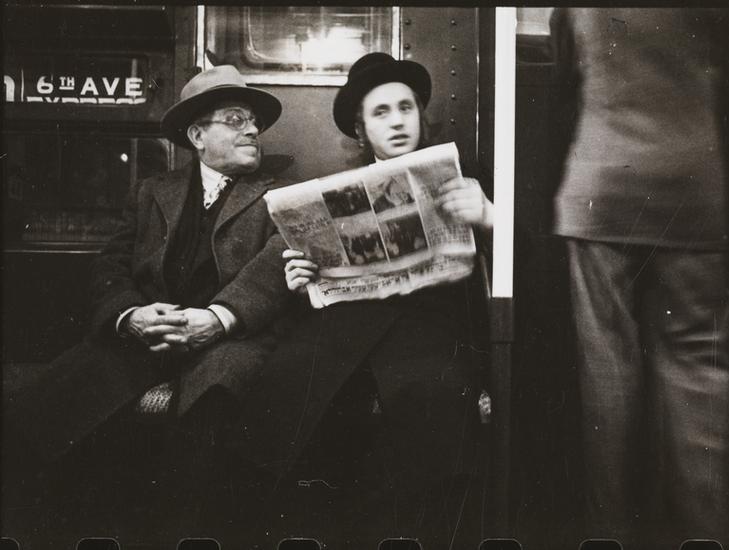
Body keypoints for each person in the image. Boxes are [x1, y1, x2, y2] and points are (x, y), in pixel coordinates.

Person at [2, 65, 292, 540]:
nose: (253, 130)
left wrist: (218, 318)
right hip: (150, 334)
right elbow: (111, 265)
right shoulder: (154, 191)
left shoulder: (280, 194)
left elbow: (277, 265)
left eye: (254, 122)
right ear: (197, 136)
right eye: (236, 119)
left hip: (231, 340)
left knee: (211, 410)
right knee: (52, 403)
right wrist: (131, 315)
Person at [233, 52, 494, 547]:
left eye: (406, 108)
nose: (397, 122)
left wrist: (488, 217)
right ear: (361, 129)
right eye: (381, 112)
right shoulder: (333, 189)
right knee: (286, 392)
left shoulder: (464, 175)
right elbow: (317, 284)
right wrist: (301, 279)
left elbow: (514, 261)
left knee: (433, 402)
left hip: (431, 328)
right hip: (343, 330)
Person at [550, 9, 729, 550]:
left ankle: (607, 533)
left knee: (607, 369)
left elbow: (564, 76)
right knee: (698, 365)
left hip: (602, 190)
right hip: (694, 189)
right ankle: (705, 533)